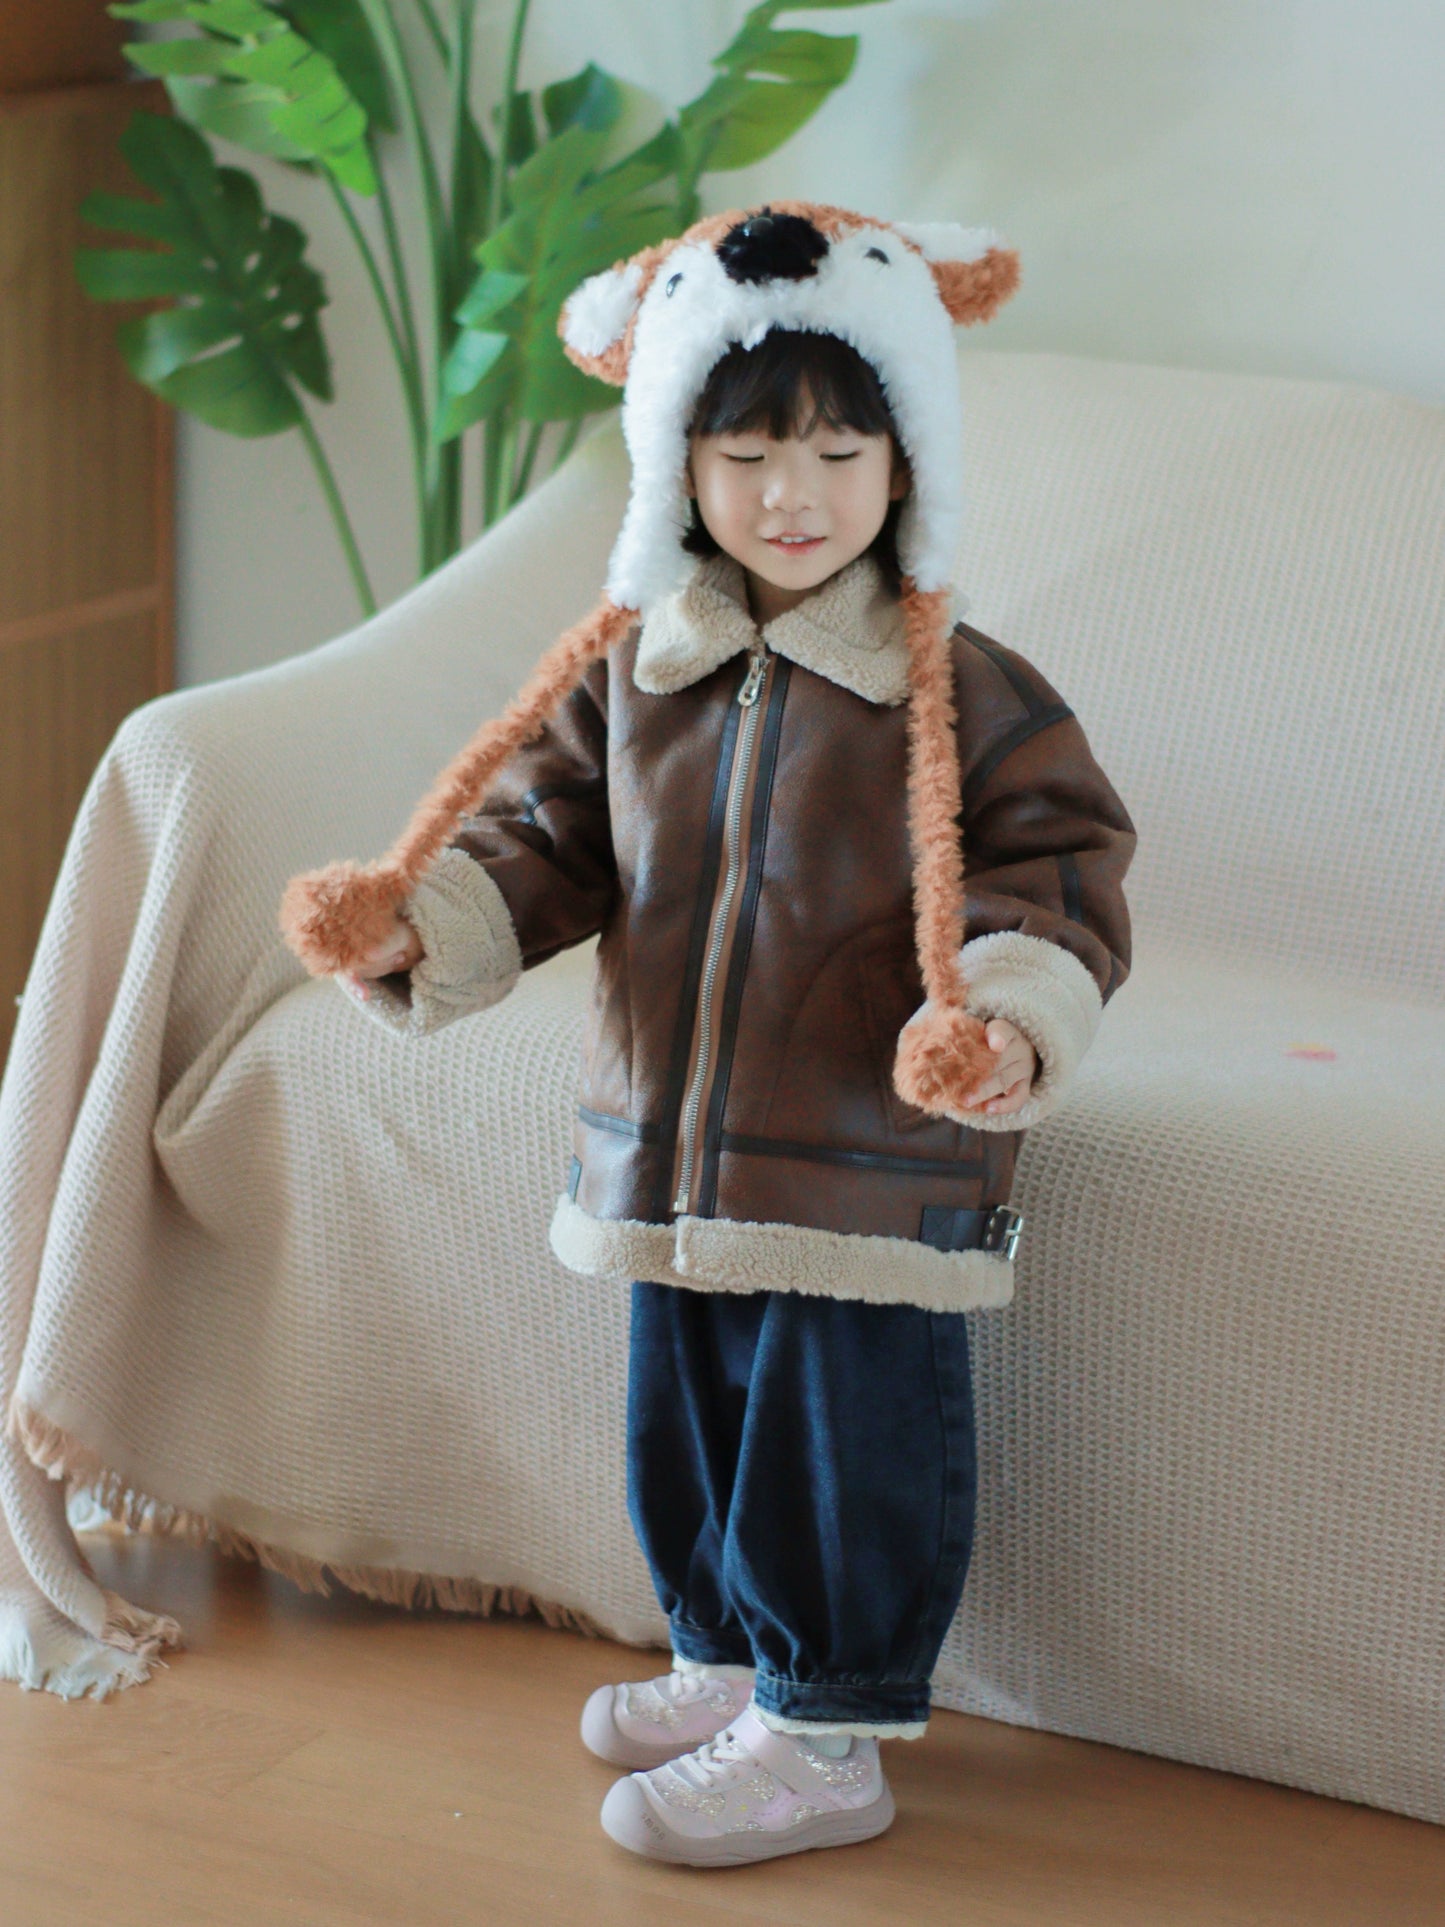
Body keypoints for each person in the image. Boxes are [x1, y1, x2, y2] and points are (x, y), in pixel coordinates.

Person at [278, 203, 1136, 1868]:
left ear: (906, 463)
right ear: (675, 465)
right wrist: (415, 926)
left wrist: (1009, 1021)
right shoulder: (636, 679)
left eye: (833, 449)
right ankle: (726, 1651)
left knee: (838, 1439)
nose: (790, 496)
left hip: (869, 1168)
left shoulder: (963, 694)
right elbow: (538, 846)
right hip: (669, 1140)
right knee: (688, 1422)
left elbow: (1050, 876)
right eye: (743, 455)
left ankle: (827, 1734)